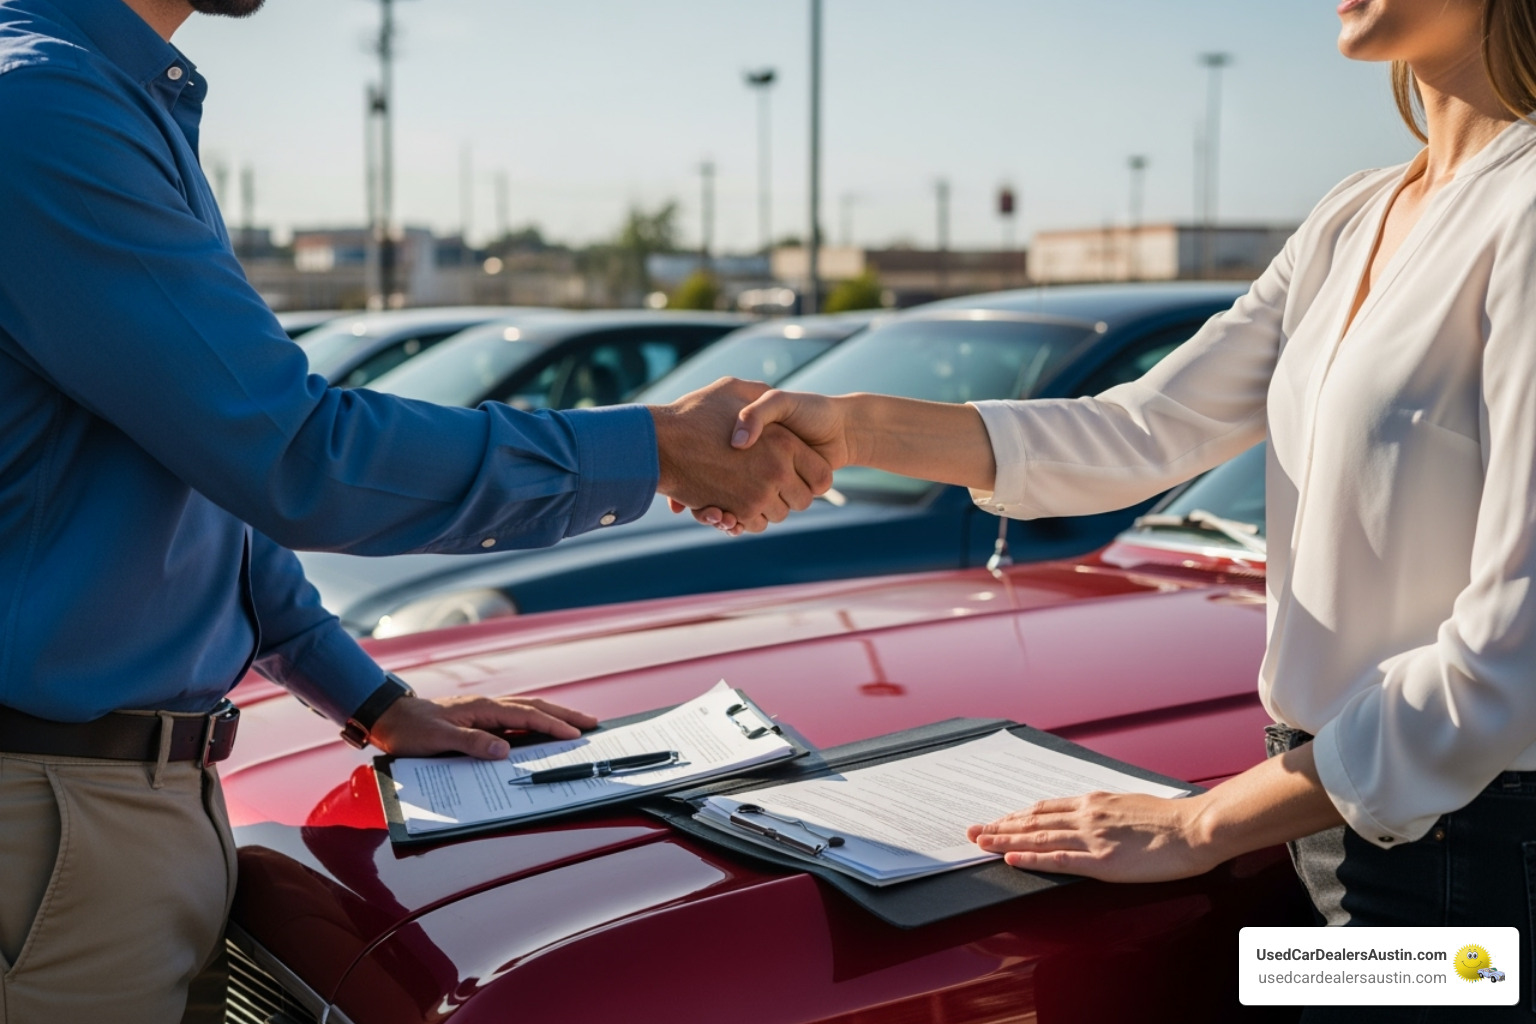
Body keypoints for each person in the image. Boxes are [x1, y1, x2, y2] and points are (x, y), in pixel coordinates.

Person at [0, 0, 830, 1021]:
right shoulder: (44, 105)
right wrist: (653, 449)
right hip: (50, 820)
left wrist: (377, 703)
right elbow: (297, 457)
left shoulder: (95, 93)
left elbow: (206, 480)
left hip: (102, 809)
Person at [717, 0, 1536, 1019]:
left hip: (1475, 858)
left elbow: (1515, 650)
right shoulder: (1354, 213)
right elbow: (1144, 430)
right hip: (1330, 819)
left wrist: (1205, 825)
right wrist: (856, 427)